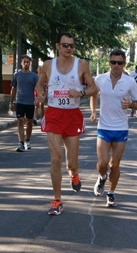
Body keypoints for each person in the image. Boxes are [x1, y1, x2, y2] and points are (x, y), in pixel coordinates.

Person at [34, 32, 98, 216]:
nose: (68, 48)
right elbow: (39, 84)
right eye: (65, 45)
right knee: (56, 159)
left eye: (71, 45)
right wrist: (40, 95)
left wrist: (82, 94)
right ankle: (57, 200)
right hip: (53, 113)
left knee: (71, 163)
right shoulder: (48, 65)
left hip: (72, 116)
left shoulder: (81, 64)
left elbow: (94, 88)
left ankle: (74, 174)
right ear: (58, 46)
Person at [90, 49, 137, 207]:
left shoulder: (130, 82)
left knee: (115, 165)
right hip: (104, 127)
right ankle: (101, 177)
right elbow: (93, 93)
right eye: (113, 62)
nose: (116, 65)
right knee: (103, 163)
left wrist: (131, 105)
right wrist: (93, 111)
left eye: (119, 63)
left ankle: (111, 193)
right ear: (109, 63)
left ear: (124, 64)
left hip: (121, 128)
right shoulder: (100, 79)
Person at [10, 55, 38, 152]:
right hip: (19, 101)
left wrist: (37, 98)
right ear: (21, 63)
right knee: (20, 121)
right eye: (24, 62)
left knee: (29, 122)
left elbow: (38, 88)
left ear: (29, 63)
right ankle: (20, 143)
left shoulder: (34, 76)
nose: (26, 63)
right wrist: (11, 102)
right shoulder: (17, 76)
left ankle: (28, 140)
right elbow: (13, 89)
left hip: (30, 102)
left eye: (27, 62)